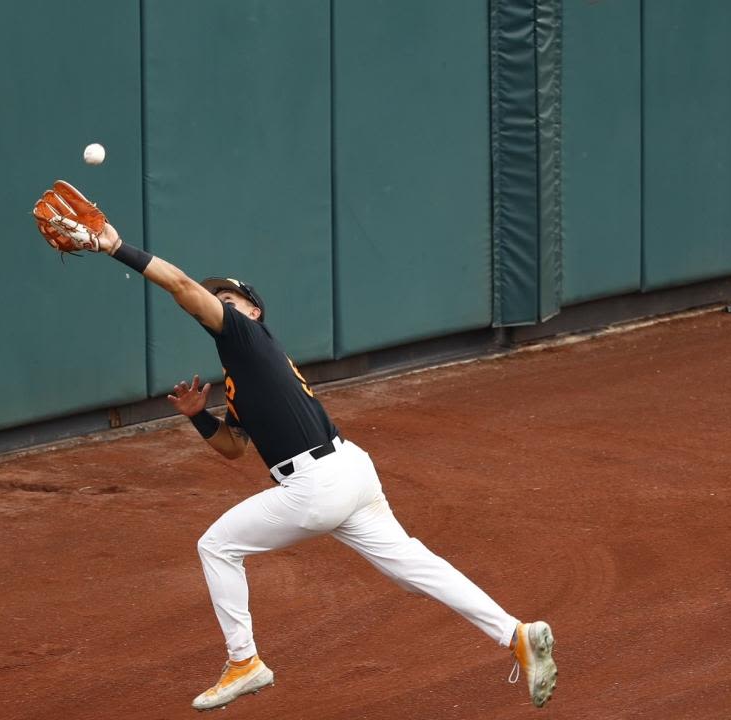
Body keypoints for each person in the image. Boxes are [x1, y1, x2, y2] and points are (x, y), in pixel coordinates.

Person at [32, 181, 557, 711]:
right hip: (351, 474)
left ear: (252, 313)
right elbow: (236, 447)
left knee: (217, 547)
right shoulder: (246, 374)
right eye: (220, 300)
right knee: (415, 568)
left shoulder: (244, 336)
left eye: (229, 299)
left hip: (317, 485)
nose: (219, 303)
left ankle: (244, 661)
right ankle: (516, 635)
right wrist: (199, 418)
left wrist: (116, 247)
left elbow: (183, 287)